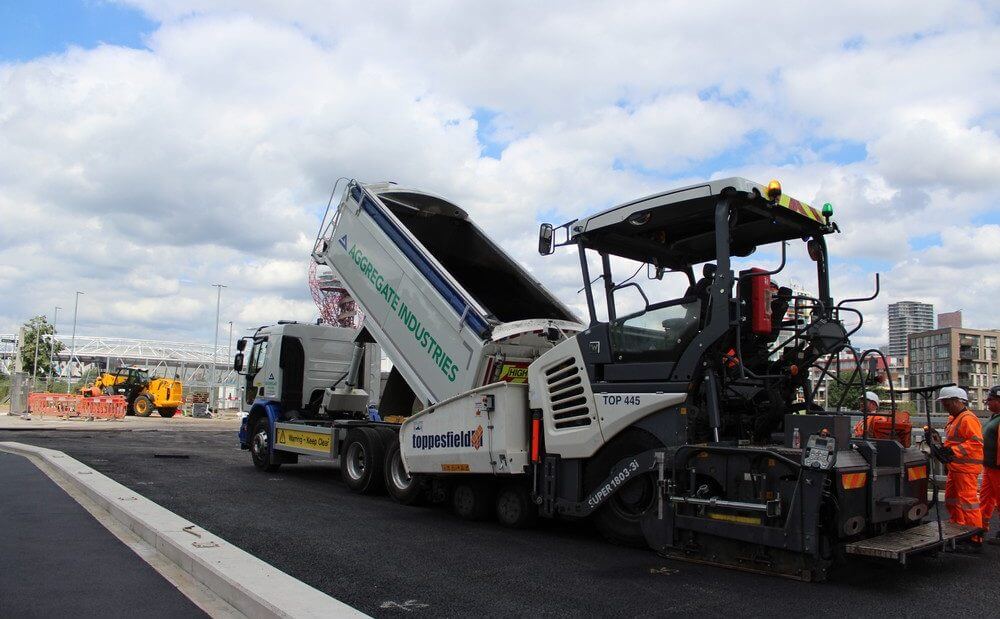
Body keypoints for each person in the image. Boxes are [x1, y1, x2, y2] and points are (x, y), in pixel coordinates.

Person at [937, 386, 983, 548]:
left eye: (947, 403)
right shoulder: (954, 418)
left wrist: (952, 451)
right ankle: (958, 527)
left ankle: (974, 537)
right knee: (952, 499)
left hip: (966, 469)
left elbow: (975, 442)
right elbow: (955, 441)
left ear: (958, 401)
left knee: (968, 502)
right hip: (956, 467)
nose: (945, 406)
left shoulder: (967, 419)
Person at [980, 385, 1000, 545]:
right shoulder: (994, 417)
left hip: (998, 468)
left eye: (991, 400)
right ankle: (979, 530)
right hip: (990, 467)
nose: (987, 403)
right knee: (985, 499)